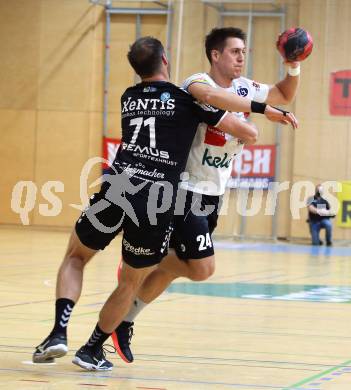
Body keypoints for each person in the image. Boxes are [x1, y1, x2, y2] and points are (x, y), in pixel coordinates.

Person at [32, 36, 295, 370]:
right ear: (166, 60)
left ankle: (58, 331)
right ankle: (93, 349)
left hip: (118, 185)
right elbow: (229, 118)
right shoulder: (187, 97)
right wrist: (262, 109)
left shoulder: (129, 97)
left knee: (75, 257)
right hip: (158, 197)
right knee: (131, 281)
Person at [112, 27, 301, 364]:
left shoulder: (246, 88)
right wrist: (258, 111)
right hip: (186, 188)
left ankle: (125, 320)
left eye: (244, 51)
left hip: (213, 192)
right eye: (234, 51)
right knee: (201, 270)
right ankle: (141, 260)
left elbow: (283, 95)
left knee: (174, 269)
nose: (242, 56)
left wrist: (293, 65)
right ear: (216, 55)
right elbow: (217, 101)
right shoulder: (197, 83)